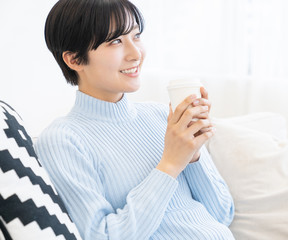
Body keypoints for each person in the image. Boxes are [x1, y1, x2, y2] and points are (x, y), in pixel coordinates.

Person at [35, 0, 235, 239]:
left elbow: (222, 215)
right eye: (116, 41)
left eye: (136, 36)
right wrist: (170, 164)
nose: (136, 53)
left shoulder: (162, 116)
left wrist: (192, 156)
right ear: (75, 59)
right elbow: (103, 236)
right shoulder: (61, 140)